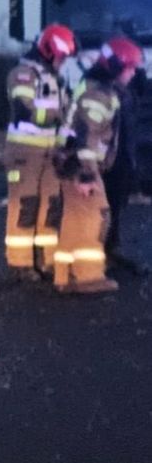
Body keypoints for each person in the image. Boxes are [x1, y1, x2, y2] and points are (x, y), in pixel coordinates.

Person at [52, 35, 144, 293]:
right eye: (130, 68)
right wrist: (87, 176)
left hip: (69, 162)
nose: (133, 73)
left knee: (74, 219)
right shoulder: (99, 95)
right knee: (95, 217)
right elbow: (88, 136)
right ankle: (87, 277)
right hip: (81, 166)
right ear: (116, 67)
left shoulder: (94, 87)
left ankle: (64, 275)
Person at [4, 23, 75, 278]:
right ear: (48, 50)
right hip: (25, 152)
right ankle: (20, 263)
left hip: (51, 152)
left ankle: (48, 261)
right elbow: (25, 109)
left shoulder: (56, 78)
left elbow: (67, 114)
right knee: (25, 205)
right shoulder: (23, 74)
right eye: (61, 56)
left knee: (52, 206)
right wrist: (57, 115)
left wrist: (66, 143)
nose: (63, 61)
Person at [102, 65, 150, 275]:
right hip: (111, 160)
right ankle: (104, 251)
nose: (132, 74)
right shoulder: (109, 93)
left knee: (115, 206)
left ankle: (110, 247)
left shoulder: (124, 93)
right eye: (130, 70)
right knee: (106, 207)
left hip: (121, 159)